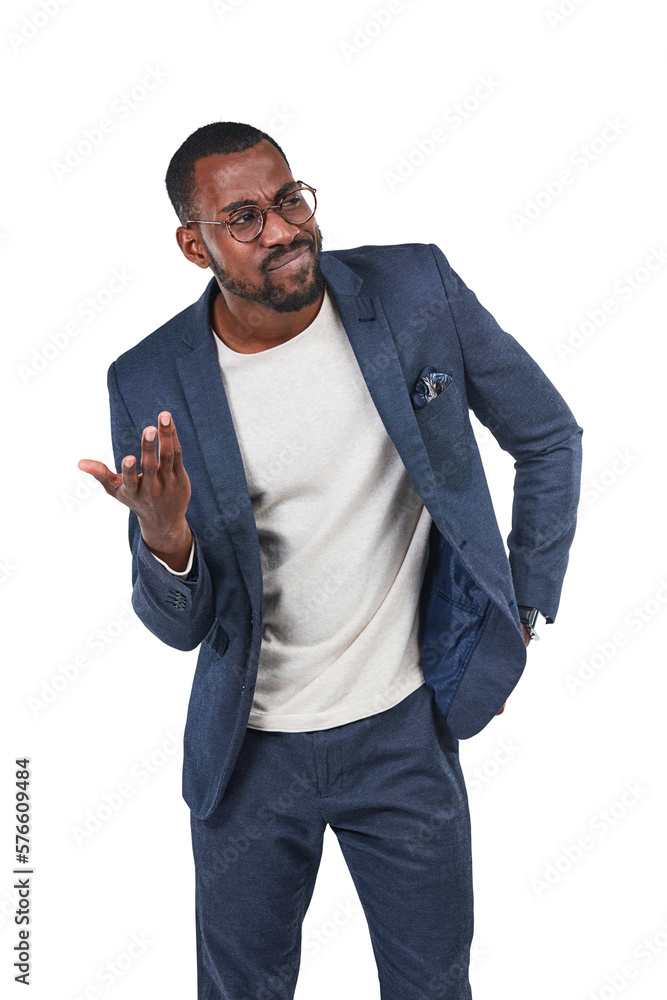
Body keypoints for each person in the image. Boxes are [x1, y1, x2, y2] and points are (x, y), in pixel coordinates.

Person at [78, 121, 583, 999]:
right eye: (243, 217)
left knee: (432, 986)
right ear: (192, 243)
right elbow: (180, 626)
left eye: (289, 199)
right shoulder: (149, 379)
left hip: (403, 732)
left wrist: (525, 605)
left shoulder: (415, 289)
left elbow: (547, 437)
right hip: (249, 756)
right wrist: (166, 539)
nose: (281, 229)